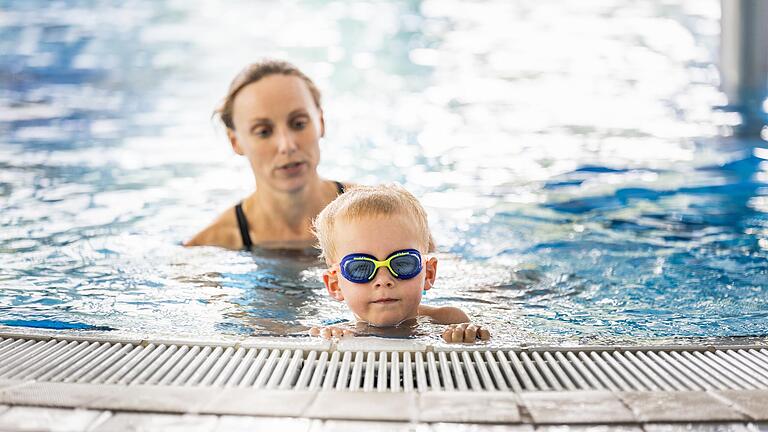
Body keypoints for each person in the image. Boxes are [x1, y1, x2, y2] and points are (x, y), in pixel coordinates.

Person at [185, 59, 347, 250]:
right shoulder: (211, 246)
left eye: (299, 124)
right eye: (263, 131)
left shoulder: (382, 213)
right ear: (235, 142)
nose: (287, 145)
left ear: (321, 122)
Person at [309, 184, 491, 343]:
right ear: (335, 285)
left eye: (402, 263)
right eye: (361, 267)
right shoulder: (339, 334)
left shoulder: (449, 320)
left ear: (428, 273)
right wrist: (329, 340)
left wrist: (468, 335)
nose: (383, 280)